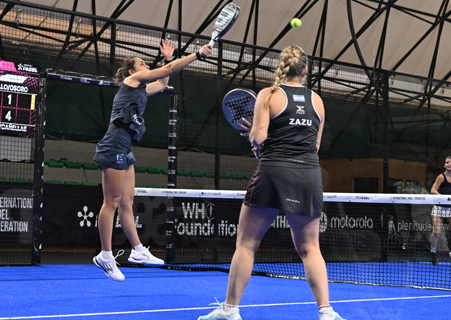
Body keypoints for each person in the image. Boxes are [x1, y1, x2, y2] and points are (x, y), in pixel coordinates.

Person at [198, 46, 345, 320]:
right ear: (305, 71)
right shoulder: (318, 101)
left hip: (274, 172)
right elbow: (314, 144)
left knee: (247, 244)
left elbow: (258, 139)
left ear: (282, 67)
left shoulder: (268, 95)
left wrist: (255, 136)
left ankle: (230, 310)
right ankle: (326, 312)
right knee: (310, 248)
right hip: (308, 174)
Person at [92, 39, 213, 282]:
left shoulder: (141, 89)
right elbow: (167, 72)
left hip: (125, 149)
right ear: (132, 71)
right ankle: (105, 255)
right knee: (112, 202)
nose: (146, 64)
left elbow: (162, 82)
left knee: (127, 202)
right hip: (113, 145)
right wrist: (197, 54)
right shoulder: (131, 81)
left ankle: (137, 250)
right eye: (142, 63)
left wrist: (168, 58)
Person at [429, 156, 451, 265]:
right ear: (444, 165)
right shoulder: (441, 177)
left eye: (450, 162)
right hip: (439, 207)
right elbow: (433, 190)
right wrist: (442, 197)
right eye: (447, 162)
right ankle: (433, 252)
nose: (449, 164)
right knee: (436, 232)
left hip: (450, 208)